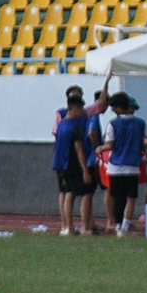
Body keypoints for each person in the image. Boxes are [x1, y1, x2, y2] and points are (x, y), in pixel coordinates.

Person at [98, 92, 147, 236]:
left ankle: (117, 225)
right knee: (131, 197)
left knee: (117, 197)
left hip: (116, 166)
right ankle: (125, 226)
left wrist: (100, 148)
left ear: (118, 108)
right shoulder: (140, 123)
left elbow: (110, 145)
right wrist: (141, 142)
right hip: (133, 166)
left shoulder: (113, 124)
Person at [50, 93, 96, 236]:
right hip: (73, 164)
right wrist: (85, 170)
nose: (82, 113)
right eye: (80, 110)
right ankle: (85, 227)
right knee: (84, 193)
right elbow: (79, 149)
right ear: (74, 109)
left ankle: (68, 226)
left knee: (68, 193)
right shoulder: (76, 127)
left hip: (61, 164)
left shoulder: (62, 125)